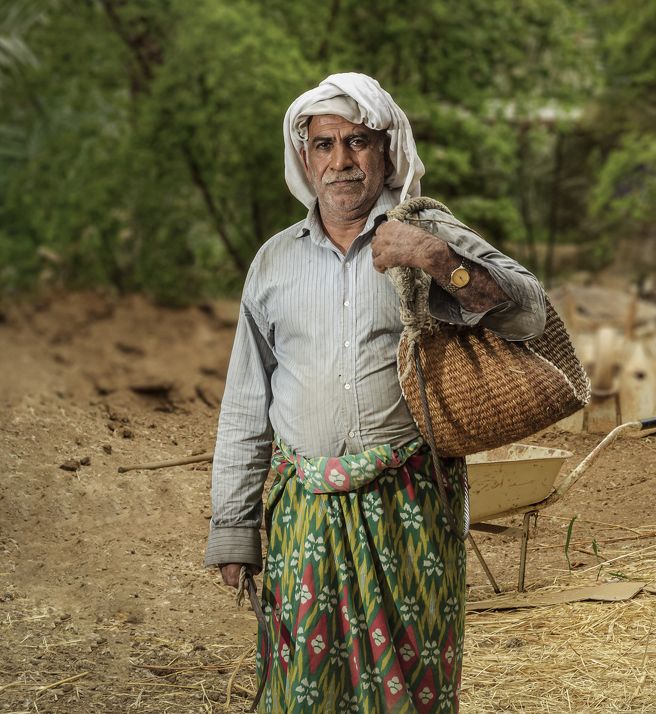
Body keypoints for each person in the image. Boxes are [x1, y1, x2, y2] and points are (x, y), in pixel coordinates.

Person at [204, 72, 546, 712]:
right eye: (324, 144)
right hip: (301, 511)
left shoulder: (423, 231)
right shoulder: (274, 261)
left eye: (358, 142)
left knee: (407, 689)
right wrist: (233, 528)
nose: (341, 162)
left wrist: (437, 259)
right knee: (302, 689)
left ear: (387, 150)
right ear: (303, 158)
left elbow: (529, 314)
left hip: (408, 505)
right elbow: (248, 400)